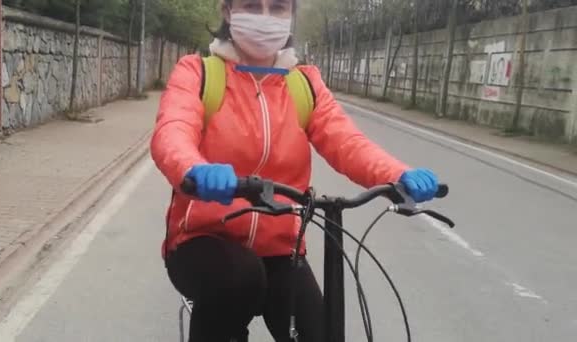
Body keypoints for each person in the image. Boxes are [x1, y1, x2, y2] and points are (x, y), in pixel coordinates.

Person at [150, 0, 440, 341]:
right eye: (252, 6)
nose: (265, 17)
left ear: (291, 16)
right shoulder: (198, 73)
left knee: (320, 331)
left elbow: (347, 141)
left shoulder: (304, 85)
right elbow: (172, 130)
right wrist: (195, 169)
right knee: (240, 277)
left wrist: (397, 174)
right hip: (201, 242)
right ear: (228, 12)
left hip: (279, 249)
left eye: (277, 8)